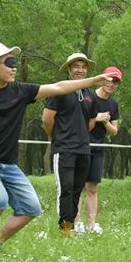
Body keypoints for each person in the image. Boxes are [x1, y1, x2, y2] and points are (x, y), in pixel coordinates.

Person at [0, 43, 112, 250]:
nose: (14, 67)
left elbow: (59, 87)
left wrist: (95, 80)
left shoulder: (21, 91)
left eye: (14, 62)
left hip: (9, 165)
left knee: (31, 208)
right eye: (9, 62)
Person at [43, 52, 98, 237]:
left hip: (84, 149)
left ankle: (72, 226)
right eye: (76, 66)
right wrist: (59, 137)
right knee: (65, 190)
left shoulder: (90, 94)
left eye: (83, 67)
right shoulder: (59, 90)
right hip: (64, 149)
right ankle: (65, 231)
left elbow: (90, 122)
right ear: (69, 69)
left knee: (76, 190)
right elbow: (47, 120)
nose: (80, 70)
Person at [76, 66, 121, 235]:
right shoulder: (88, 96)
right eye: (109, 80)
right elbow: (79, 123)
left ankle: (92, 224)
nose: (111, 84)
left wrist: (104, 121)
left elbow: (114, 131)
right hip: (81, 146)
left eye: (115, 82)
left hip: (98, 148)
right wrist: (97, 117)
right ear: (103, 79)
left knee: (92, 188)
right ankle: (77, 222)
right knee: (77, 186)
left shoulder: (113, 103)